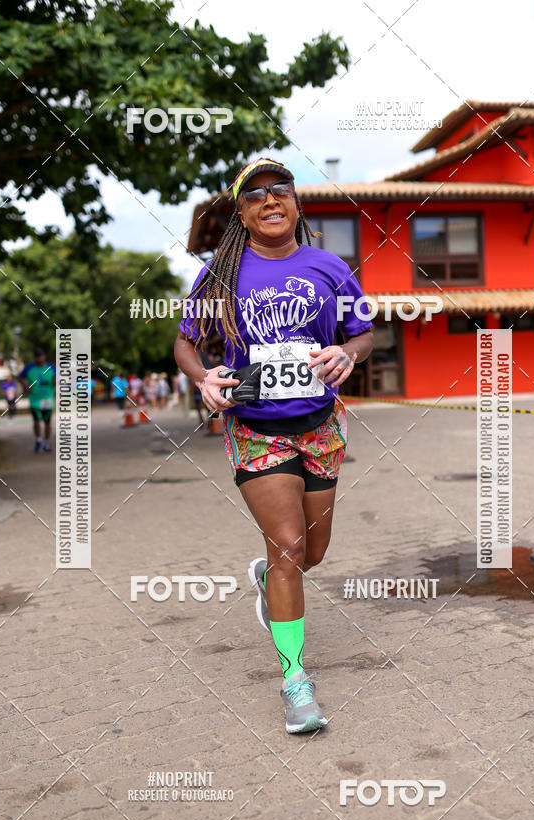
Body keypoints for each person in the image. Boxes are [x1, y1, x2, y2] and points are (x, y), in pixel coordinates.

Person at [174, 157, 373, 734]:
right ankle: (295, 682)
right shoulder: (222, 274)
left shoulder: (329, 268)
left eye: (278, 189)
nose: (269, 200)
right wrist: (203, 377)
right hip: (255, 425)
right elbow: (187, 342)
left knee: (312, 554)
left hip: (319, 426)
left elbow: (361, 332)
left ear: (294, 201)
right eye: (254, 194)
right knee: (288, 548)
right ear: (241, 212)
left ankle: (266, 580)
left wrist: (347, 353)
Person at [19, 347, 56, 452]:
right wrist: (25, 386)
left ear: (44, 357)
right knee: (36, 421)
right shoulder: (29, 368)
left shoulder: (51, 367)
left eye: (41, 356)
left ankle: (47, 442)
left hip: (48, 398)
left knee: (47, 422)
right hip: (35, 399)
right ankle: (39, 439)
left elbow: (57, 380)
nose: (39, 359)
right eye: (37, 357)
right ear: (35, 358)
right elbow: (19, 377)